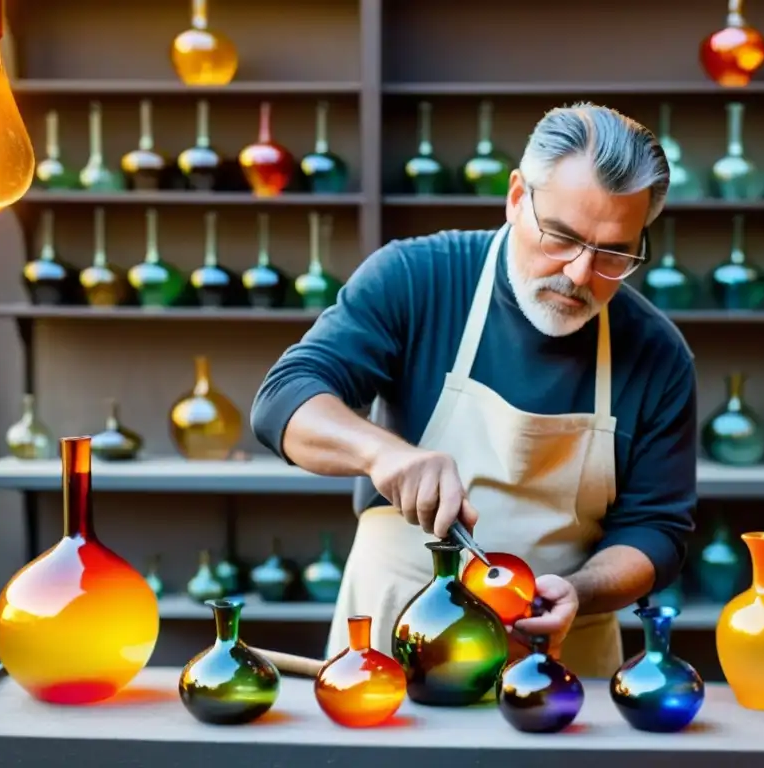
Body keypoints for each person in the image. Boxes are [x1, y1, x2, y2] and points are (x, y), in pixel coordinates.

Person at [251, 102, 697, 678]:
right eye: (560, 237)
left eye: (613, 253)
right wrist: (384, 454)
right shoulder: (417, 278)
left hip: (557, 655)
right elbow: (284, 399)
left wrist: (579, 592)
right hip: (396, 635)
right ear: (516, 197)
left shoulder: (657, 354)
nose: (580, 275)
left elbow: (657, 530)